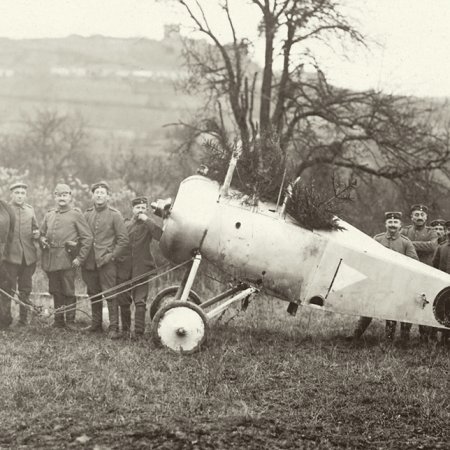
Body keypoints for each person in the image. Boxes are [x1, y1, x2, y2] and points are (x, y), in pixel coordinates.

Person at [350, 212, 418, 342]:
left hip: (397, 283)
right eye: (390, 222)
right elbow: (367, 258)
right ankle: (356, 334)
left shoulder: (405, 242)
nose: (393, 225)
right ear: (385, 224)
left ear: (400, 225)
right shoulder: (377, 239)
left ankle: (395, 338)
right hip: (378, 281)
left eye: (395, 223)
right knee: (368, 307)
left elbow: (414, 262)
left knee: (395, 309)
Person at [40, 183, 93, 328]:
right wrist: (42, 239)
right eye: (59, 195)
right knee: (55, 290)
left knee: (68, 291)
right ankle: (58, 321)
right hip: (51, 259)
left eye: (65, 195)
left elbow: (87, 238)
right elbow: (42, 234)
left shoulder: (76, 214)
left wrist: (80, 258)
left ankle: (70, 321)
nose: (62, 198)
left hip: (68, 259)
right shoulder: (49, 214)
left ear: (70, 197)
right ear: (54, 197)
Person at [82, 181, 129, 339]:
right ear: (93, 196)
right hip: (89, 262)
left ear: (108, 196)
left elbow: (123, 240)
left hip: (107, 262)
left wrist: (111, 256)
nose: (99, 195)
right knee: (93, 293)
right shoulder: (87, 214)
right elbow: (82, 237)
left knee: (110, 293)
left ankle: (114, 327)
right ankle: (96, 325)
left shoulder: (115, 215)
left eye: (103, 192)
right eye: (97, 192)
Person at [116, 196, 162, 338]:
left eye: (143, 208)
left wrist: (147, 220)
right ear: (132, 209)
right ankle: (125, 331)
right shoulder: (125, 224)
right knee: (123, 300)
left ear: (146, 210)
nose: (140, 211)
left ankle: (139, 333)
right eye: (137, 208)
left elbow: (160, 235)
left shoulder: (149, 225)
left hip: (142, 268)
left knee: (140, 301)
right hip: (124, 268)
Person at [4, 182, 40, 325]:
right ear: (11, 194)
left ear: (26, 195)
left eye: (22, 193)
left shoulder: (30, 210)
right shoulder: (5, 210)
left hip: (28, 257)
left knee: (25, 288)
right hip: (10, 257)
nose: (20, 195)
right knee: (7, 288)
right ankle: (5, 319)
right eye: (17, 193)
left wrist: (37, 234)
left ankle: (23, 320)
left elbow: (36, 229)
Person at [401, 204, 439, 341]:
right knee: (407, 302)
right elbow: (401, 243)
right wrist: (417, 244)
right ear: (411, 217)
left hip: (425, 272)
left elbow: (432, 246)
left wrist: (409, 244)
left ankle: (424, 335)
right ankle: (404, 334)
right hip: (409, 272)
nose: (419, 217)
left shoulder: (431, 232)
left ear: (426, 217)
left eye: (422, 215)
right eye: (416, 215)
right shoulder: (405, 231)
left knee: (424, 302)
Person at [431, 220, 450, 347]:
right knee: (445, 312)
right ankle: (444, 339)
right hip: (445, 287)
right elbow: (435, 266)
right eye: (448, 230)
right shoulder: (441, 247)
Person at [0, 198, 15, 330]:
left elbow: (11, 234)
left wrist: (5, 254)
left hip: (2, 254)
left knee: (5, 286)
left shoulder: (6, 208)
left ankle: (4, 320)